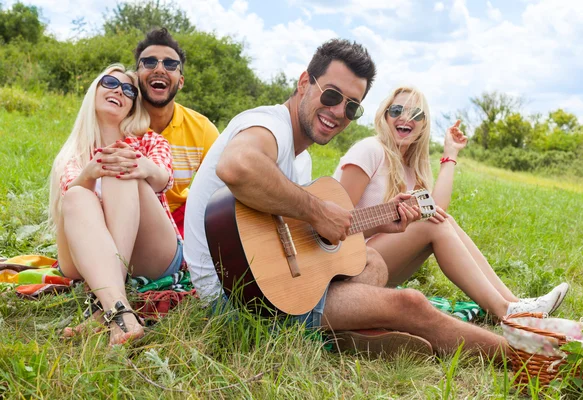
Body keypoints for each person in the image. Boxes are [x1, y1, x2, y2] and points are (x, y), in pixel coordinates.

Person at [184, 39, 510, 358]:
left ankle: (345, 334)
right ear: (303, 83)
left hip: (266, 283)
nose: (338, 111)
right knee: (410, 303)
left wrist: (377, 221)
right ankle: (525, 354)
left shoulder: (302, 161)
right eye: (331, 95)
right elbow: (237, 165)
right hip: (236, 302)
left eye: (351, 106)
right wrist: (316, 210)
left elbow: (297, 236)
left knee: (372, 264)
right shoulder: (268, 124)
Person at [333, 86, 569, 318]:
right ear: (384, 115)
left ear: (424, 124)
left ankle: (514, 304)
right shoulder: (370, 149)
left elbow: (436, 211)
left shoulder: (409, 167)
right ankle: (505, 311)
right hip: (339, 268)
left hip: (374, 267)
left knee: (442, 220)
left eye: (415, 114)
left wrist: (451, 154)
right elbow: (335, 223)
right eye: (396, 110)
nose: (405, 117)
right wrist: (387, 219)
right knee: (431, 222)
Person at [49, 64, 182, 345]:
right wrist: (89, 172)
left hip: (151, 252)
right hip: (83, 257)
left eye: (129, 90)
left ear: (134, 105)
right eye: (110, 82)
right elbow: (69, 203)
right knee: (75, 194)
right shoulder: (74, 153)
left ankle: (108, 306)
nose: (118, 91)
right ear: (94, 90)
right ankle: (117, 309)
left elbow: (163, 179)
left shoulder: (149, 142)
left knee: (121, 165)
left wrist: (141, 165)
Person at [133, 27, 219, 237]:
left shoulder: (202, 128)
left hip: (178, 218)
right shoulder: (117, 119)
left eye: (170, 64)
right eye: (149, 62)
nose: (160, 69)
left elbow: (222, 187)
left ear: (180, 81)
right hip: (125, 211)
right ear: (136, 76)